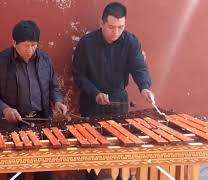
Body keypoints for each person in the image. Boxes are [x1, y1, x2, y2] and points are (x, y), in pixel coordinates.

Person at [72, 2, 154, 179]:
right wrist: (95, 93)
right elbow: (79, 76)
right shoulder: (86, 43)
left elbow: (139, 67)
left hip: (118, 100)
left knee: (121, 149)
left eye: (120, 27)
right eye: (111, 27)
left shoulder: (131, 41)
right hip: (92, 101)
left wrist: (145, 87)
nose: (116, 32)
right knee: (92, 153)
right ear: (101, 23)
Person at [0, 20, 67, 180]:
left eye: (34, 45)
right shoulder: (1, 62)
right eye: (26, 45)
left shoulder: (45, 60)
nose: (31, 50)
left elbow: (54, 87)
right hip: (13, 125)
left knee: (44, 172)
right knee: (16, 174)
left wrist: (57, 101)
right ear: (14, 42)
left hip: (41, 122)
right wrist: (4, 109)